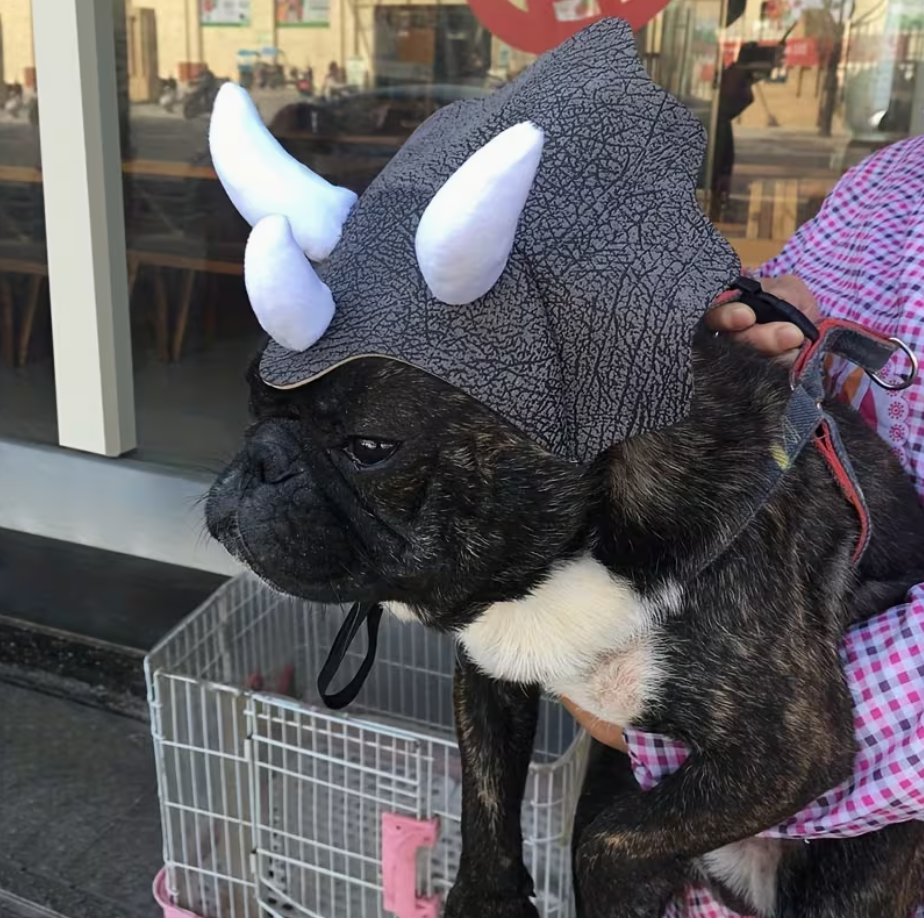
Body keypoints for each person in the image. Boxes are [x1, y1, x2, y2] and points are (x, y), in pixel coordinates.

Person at [566, 133, 924, 917]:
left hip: (846, 836)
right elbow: (776, 316)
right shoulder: (888, 179)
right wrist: (744, 326)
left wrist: (663, 719)